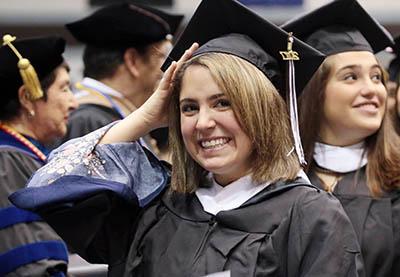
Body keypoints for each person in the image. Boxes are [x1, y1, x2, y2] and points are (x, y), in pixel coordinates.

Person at [10, 0, 363, 276]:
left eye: (223, 103)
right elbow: (47, 185)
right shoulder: (157, 205)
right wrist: (145, 116)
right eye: (189, 108)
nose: (203, 123)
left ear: (262, 110)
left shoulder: (310, 216)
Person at [282, 0, 400, 276]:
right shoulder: (279, 181)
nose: (373, 90)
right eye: (351, 77)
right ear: (315, 92)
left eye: (376, 77)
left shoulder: (395, 182)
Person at [0, 35, 77, 276]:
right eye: (64, 89)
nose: (73, 102)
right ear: (27, 97)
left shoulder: (27, 154)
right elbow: (32, 266)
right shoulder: (7, 161)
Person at [60, 2, 183, 152]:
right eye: (162, 57)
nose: (167, 69)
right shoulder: (88, 119)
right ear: (133, 61)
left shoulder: (115, 115)